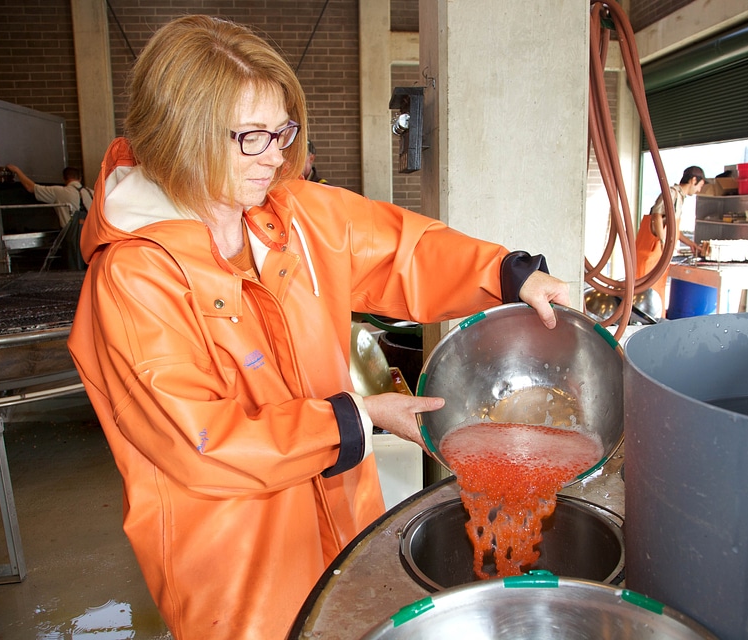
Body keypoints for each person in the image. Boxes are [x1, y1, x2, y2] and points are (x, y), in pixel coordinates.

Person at [66, 15, 570, 640]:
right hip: (237, 566)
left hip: (342, 514)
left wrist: (505, 272)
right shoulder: (134, 278)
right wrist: (356, 419)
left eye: (283, 132)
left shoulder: (288, 213)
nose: (277, 157)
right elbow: (201, 441)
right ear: (182, 136)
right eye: (251, 137)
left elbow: (399, 250)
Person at [634, 165, 705, 313]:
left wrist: (691, 244)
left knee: (655, 294)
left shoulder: (680, 198)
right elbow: (657, 215)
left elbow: (674, 230)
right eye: (700, 186)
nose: (699, 190)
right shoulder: (671, 194)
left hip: (659, 253)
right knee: (644, 294)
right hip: (651, 251)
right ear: (693, 180)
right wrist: (663, 241)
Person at [5, 164, 93, 269]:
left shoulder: (59, 192)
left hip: (72, 238)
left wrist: (17, 171)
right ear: (80, 178)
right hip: (92, 235)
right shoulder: (92, 193)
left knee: (74, 270)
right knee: (91, 269)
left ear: (64, 179)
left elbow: (31, 187)